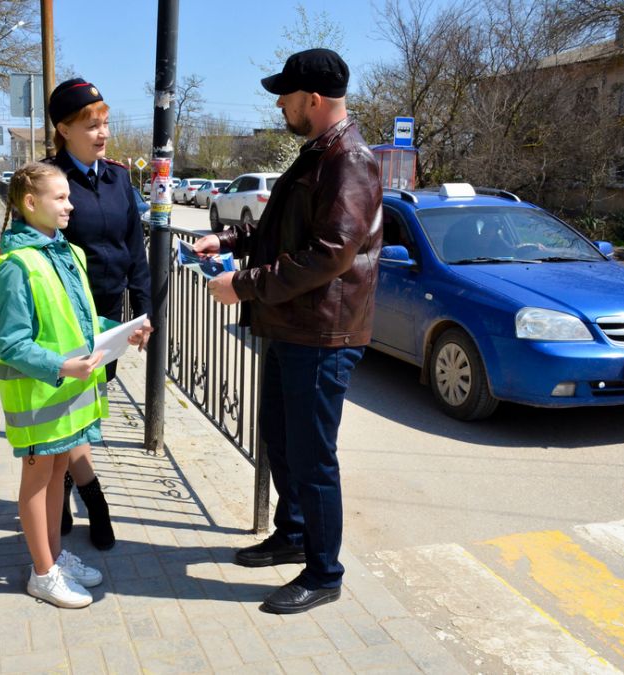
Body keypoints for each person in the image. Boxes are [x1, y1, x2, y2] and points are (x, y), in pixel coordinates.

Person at [194, 49, 382, 615]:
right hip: (293, 329)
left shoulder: (349, 159)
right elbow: (285, 236)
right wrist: (226, 244)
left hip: (323, 335)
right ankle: (294, 531)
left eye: (286, 95)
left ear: (314, 100)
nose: (279, 103)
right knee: (280, 440)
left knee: (312, 456)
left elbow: (328, 255)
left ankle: (325, 572)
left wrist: (245, 286)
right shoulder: (316, 155)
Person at [0, 162, 148, 607]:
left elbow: (79, 322)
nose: (70, 205)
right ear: (30, 203)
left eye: (69, 197)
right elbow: (12, 343)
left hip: (67, 394)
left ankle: (56, 558)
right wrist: (63, 366)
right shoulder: (17, 264)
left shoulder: (69, 253)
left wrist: (121, 329)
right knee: (38, 483)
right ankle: (42, 572)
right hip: (40, 395)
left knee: (59, 473)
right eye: (60, 198)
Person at [45, 78, 153, 549]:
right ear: (64, 129)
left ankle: (66, 487)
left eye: (105, 123)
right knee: (68, 410)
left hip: (108, 315)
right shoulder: (48, 180)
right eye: (92, 125)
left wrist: (145, 310)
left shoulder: (117, 178)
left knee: (89, 407)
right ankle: (90, 497)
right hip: (64, 317)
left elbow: (135, 248)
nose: (102, 133)